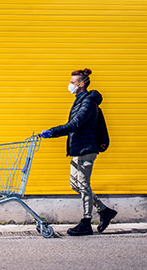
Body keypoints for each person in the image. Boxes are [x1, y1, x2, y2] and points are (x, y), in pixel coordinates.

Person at [39, 68, 117, 236]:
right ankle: (104, 211)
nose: (70, 85)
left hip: (86, 149)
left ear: (81, 84)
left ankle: (86, 222)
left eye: (73, 83)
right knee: (75, 184)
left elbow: (75, 124)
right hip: (78, 148)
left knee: (83, 184)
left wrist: (52, 131)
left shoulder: (88, 102)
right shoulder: (80, 100)